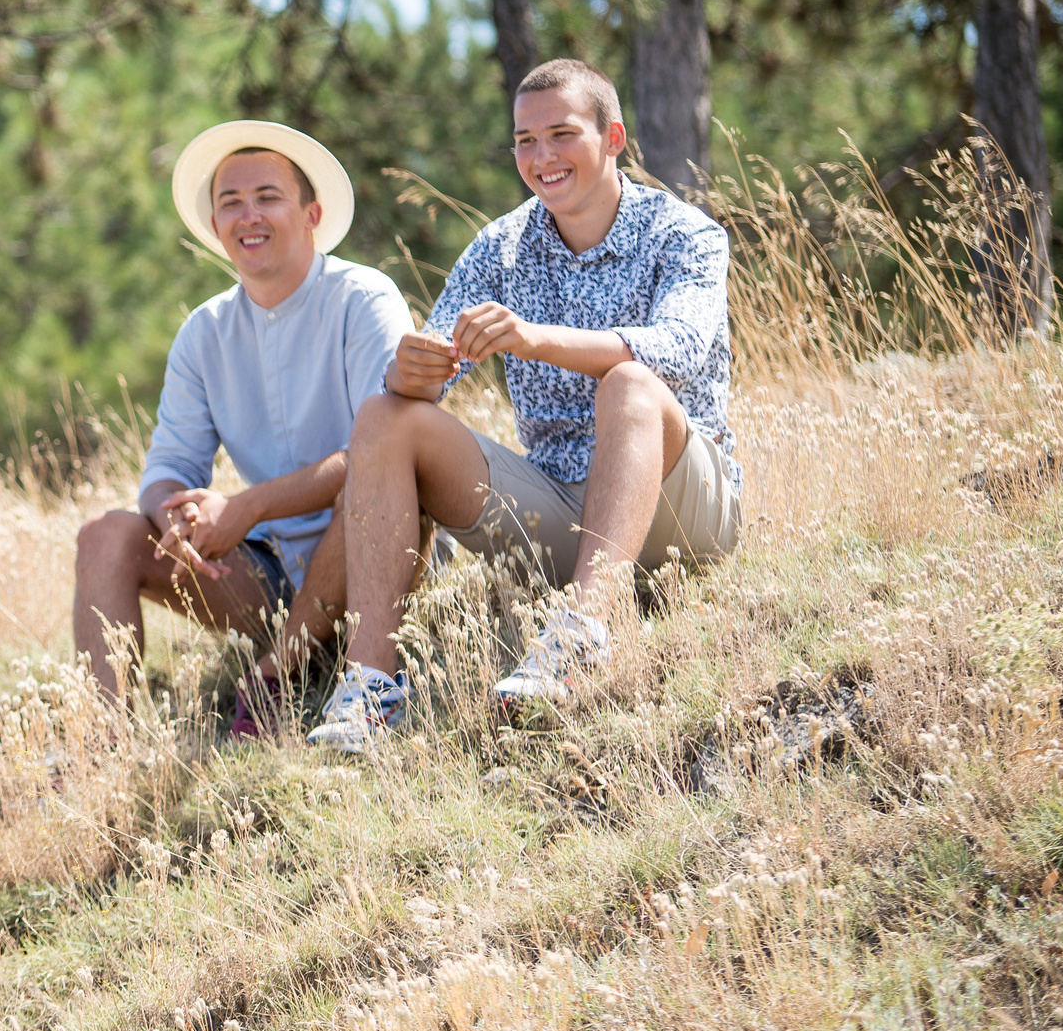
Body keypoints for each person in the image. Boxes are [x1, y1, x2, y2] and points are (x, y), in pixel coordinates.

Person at [309, 58, 741, 753]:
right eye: (524, 141)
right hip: (557, 517)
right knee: (384, 417)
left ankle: (583, 633)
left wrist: (538, 339)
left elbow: (680, 349)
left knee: (629, 383)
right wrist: (412, 373)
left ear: (614, 137)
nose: (542, 158)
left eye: (562, 134)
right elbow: (433, 375)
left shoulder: (684, 233)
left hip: (680, 510)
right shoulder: (501, 247)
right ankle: (370, 688)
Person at [74, 121, 412, 725]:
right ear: (214, 227)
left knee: (364, 480)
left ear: (312, 214)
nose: (247, 216)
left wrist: (248, 507)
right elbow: (167, 470)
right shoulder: (204, 332)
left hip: (372, 558)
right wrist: (176, 519)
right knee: (106, 535)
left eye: (268, 198)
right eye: (230, 203)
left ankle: (282, 671)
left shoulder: (365, 299)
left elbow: (382, 453)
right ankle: (97, 740)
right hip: (267, 574)